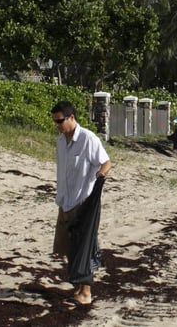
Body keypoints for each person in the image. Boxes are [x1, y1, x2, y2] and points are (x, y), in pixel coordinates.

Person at [51, 101, 112, 309]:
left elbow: (106, 161)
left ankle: (86, 292)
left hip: (83, 202)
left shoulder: (88, 139)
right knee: (68, 247)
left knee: (84, 246)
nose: (57, 125)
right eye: (55, 122)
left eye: (60, 121)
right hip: (65, 202)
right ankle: (77, 287)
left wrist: (100, 177)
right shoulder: (60, 142)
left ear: (71, 118)